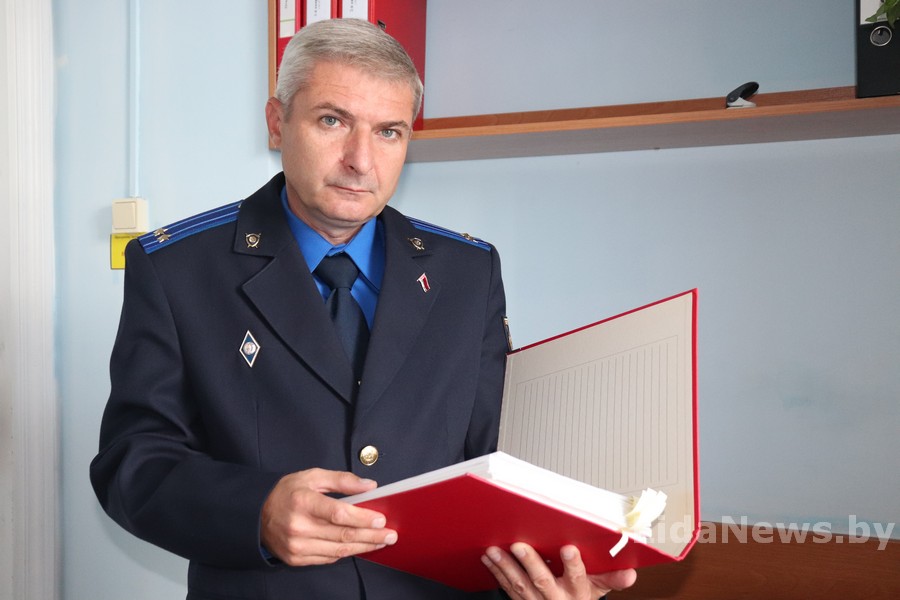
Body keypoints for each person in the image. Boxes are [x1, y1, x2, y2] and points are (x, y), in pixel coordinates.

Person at [90, 18, 636, 600]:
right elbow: (132, 463)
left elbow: (496, 459)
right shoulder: (179, 269)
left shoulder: (468, 272)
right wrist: (257, 512)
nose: (361, 160)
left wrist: (547, 570)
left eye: (389, 132)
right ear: (277, 122)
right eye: (333, 121)